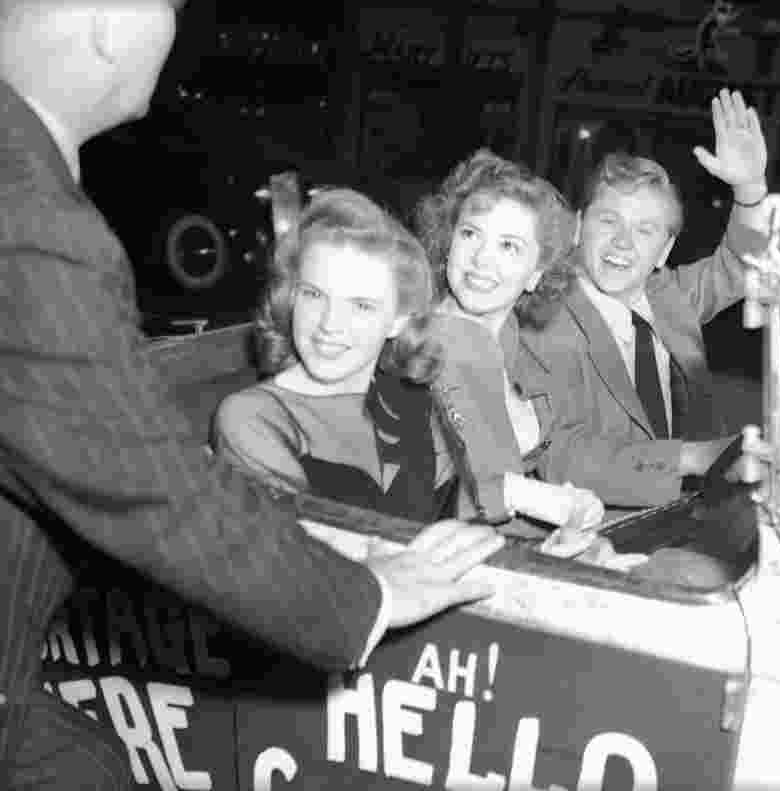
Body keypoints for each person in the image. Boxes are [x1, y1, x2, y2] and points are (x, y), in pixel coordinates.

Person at [0, 2, 502, 787]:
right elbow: (150, 489)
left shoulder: (410, 404)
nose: (334, 326)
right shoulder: (29, 213)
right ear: (111, 23)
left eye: (364, 307)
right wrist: (366, 599)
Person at [522, 89, 774, 507]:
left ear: (664, 251)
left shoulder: (667, 296)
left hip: (687, 508)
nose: (622, 242)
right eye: (609, 220)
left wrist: (749, 188)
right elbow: (562, 457)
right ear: (579, 227)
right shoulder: (542, 318)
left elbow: (740, 265)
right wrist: (694, 458)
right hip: (589, 526)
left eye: (644, 231)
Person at [213, 188, 458, 523]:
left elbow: (462, 521)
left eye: (360, 305)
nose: (329, 324)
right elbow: (301, 555)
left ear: (399, 319)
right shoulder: (252, 418)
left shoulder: (416, 401)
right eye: (314, 294)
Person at [415, 149, 605, 546]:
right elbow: (488, 489)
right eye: (470, 234)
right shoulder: (435, 339)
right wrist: (558, 510)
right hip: (421, 547)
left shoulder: (506, 334)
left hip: (484, 546)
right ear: (448, 242)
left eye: (509, 246)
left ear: (537, 273)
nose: (482, 259)